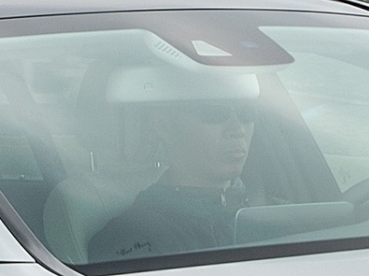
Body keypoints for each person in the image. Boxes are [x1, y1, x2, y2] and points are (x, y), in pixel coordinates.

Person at [87, 75, 258, 263]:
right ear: (162, 124)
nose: (237, 129)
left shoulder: (276, 211)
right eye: (215, 113)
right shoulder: (132, 238)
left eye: (247, 113)